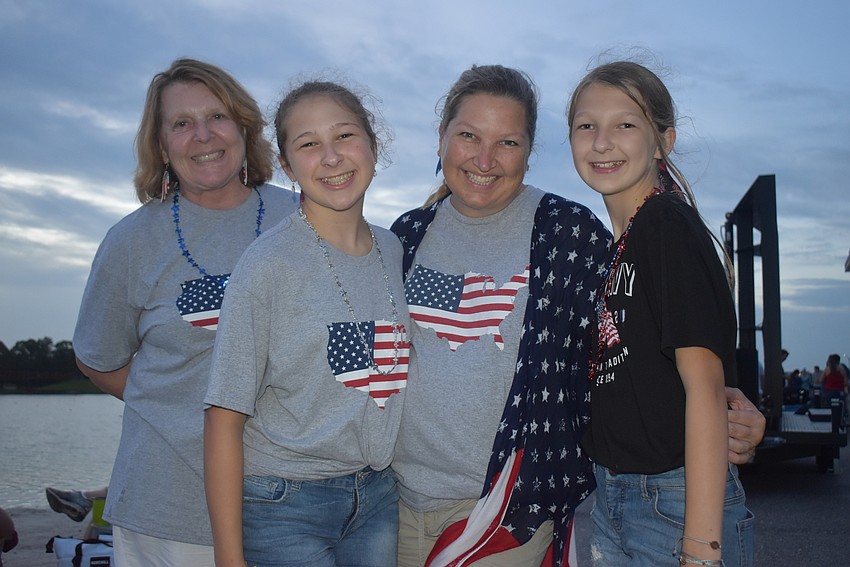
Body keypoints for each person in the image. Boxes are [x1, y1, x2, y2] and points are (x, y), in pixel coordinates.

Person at [390, 64, 765, 567]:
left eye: (508, 142)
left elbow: (692, 367)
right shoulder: (405, 236)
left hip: (512, 508)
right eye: (468, 135)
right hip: (399, 499)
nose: (484, 158)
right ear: (441, 138)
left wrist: (728, 407)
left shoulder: (581, 234)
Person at [72, 58, 298, 566]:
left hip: (292, 507)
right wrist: (173, 406)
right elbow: (97, 359)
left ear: (243, 125)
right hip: (166, 511)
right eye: (181, 123)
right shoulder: (130, 241)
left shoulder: (302, 219)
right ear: (161, 144)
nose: (202, 135)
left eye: (216, 116)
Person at [204, 80, 409, 567]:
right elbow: (222, 417)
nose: (332, 157)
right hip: (283, 503)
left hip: (377, 494)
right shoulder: (267, 264)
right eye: (309, 144)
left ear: (373, 146)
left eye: (344, 136)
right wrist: (229, 560)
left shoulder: (394, 248)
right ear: (288, 166)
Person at [567, 60, 754, 566]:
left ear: (663, 141)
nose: (602, 142)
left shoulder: (666, 225)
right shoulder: (619, 247)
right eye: (586, 125)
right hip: (615, 497)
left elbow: (705, 387)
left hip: (672, 500)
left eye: (625, 124)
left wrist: (700, 548)